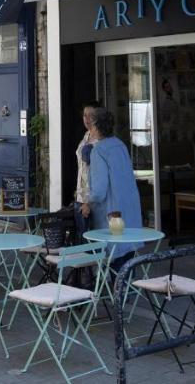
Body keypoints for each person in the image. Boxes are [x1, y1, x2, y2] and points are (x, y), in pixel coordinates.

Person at [86, 107, 143, 271]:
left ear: (96, 127)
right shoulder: (120, 145)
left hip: (112, 215)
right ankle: (125, 293)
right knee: (128, 261)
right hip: (130, 210)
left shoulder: (99, 151)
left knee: (113, 261)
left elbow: (99, 190)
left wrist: (87, 203)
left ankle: (116, 294)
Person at [73, 104, 100, 237]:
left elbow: (97, 175)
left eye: (91, 115)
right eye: (85, 115)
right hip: (80, 195)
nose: (86, 118)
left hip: (91, 199)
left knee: (91, 239)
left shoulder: (101, 141)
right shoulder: (86, 135)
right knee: (81, 237)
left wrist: (87, 201)